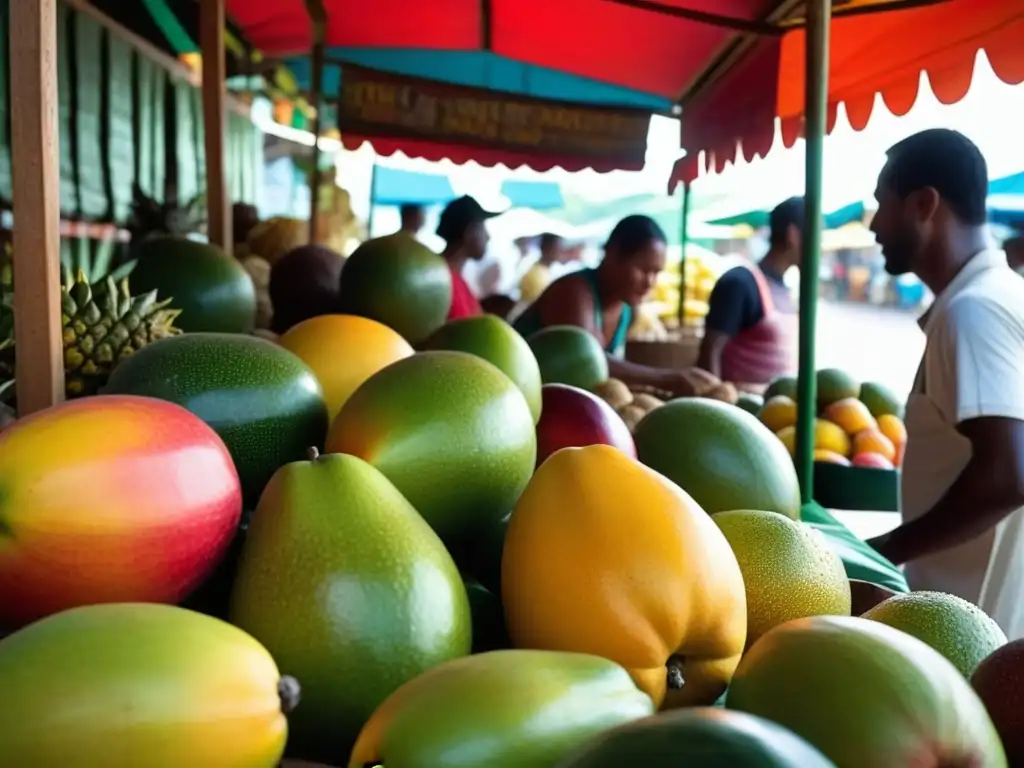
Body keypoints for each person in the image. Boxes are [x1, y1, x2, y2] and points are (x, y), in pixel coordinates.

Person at [864, 128, 1024, 640]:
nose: (873, 225)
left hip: (973, 632)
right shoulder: (997, 295)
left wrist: (885, 549)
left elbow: (1008, 474)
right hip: (976, 623)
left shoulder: (974, 310)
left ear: (923, 204)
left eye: (880, 205)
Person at [513, 215, 717, 397]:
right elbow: (588, 364)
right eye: (643, 269)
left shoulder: (627, 311)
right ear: (612, 254)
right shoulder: (574, 292)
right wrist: (668, 378)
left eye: (656, 272)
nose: (650, 282)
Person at [696, 197, 802, 385]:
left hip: (777, 410)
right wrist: (715, 400)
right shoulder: (740, 283)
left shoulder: (784, 288)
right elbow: (710, 351)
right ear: (793, 235)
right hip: (740, 409)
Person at [436, 195, 499, 320]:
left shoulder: (456, 279)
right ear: (470, 232)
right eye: (483, 228)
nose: (488, 237)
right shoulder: (441, 280)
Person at [518, 233, 565, 304]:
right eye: (557, 247)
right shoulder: (538, 274)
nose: (560, 251)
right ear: (546, 248)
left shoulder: (541, 270)